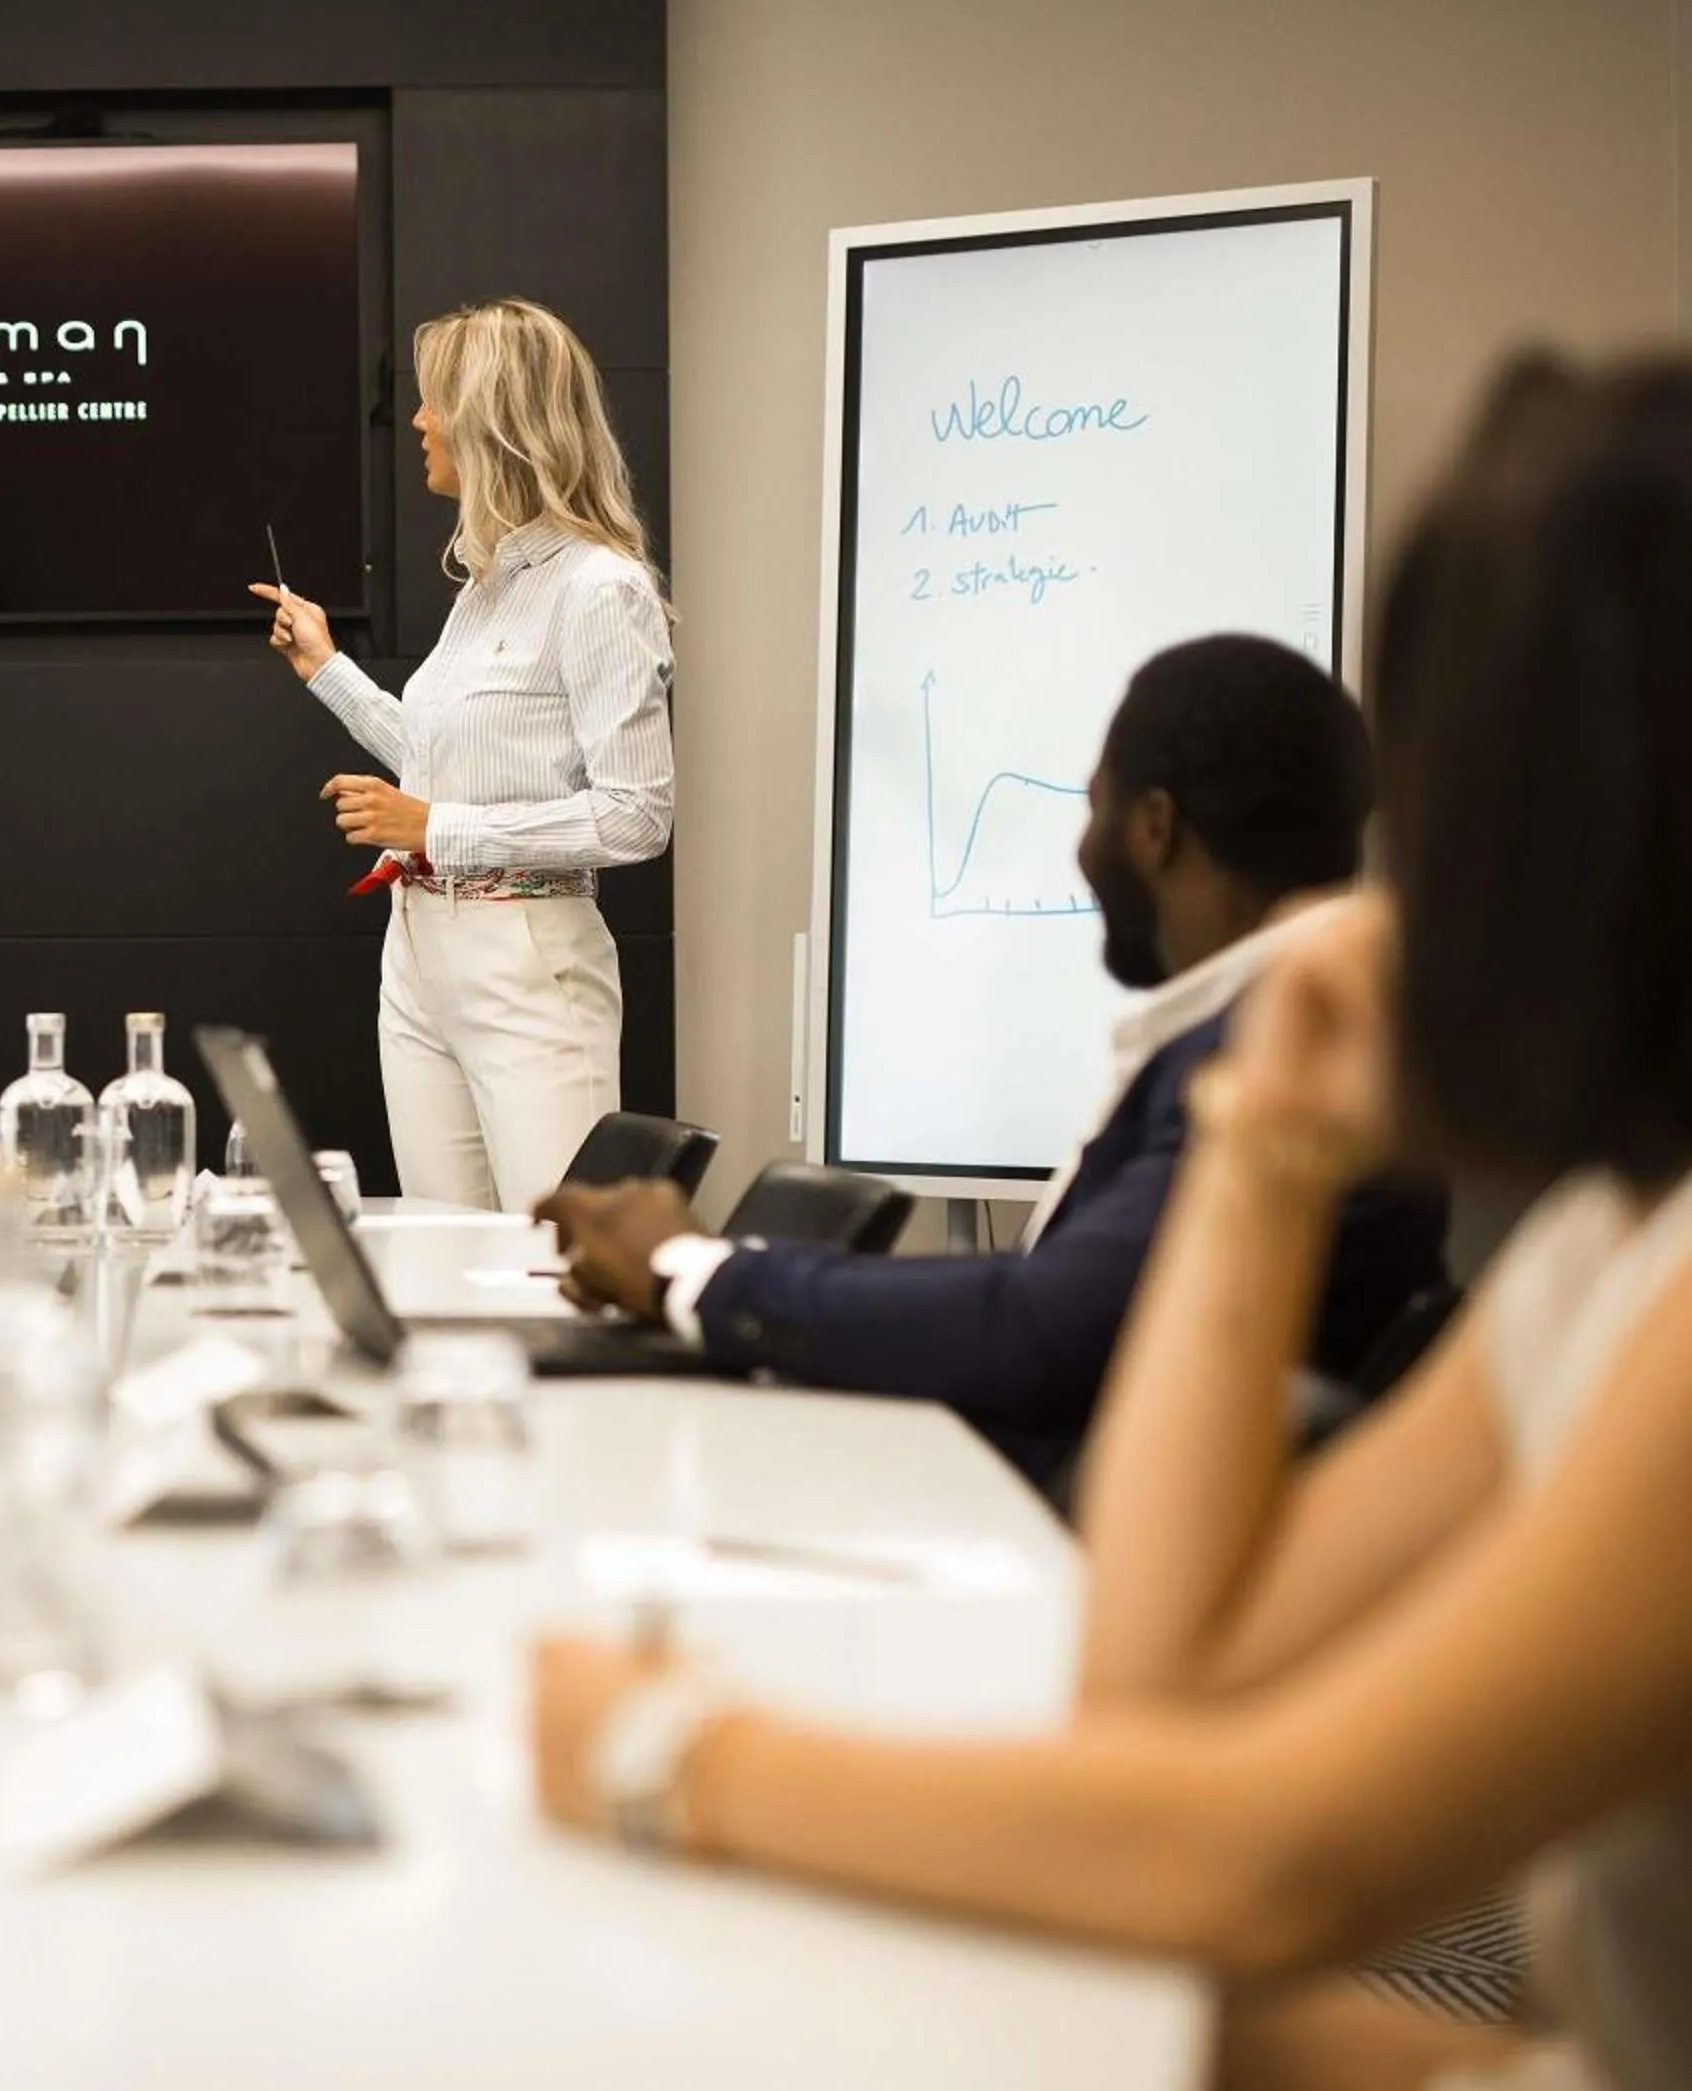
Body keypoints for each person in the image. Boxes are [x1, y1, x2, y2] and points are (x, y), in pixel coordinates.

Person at [533, 354, 1692, 2091]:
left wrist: (668, 1752)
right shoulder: (1609, 1254)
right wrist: (1267, 1152)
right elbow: (1158, 1700)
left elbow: (1274, 1862)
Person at [537, 635, 1448, 1492]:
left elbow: (1043, 1327)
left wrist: (699, 1272)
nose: (1081, 852)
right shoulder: (1294, 1030)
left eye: (1094, 809)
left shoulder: (1286, 1059)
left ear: (1156, 829)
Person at [251, 298, 674, 1214]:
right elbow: (440, 759)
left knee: (548, 1257)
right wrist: (326, 670)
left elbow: (638, 816)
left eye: (435, 399)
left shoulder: (602, 589)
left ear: (493, 420)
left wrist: (438, 828)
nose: (417, 421)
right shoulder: (485, 584)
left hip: (526, 960)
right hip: (419, 953)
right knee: (446, 1244)